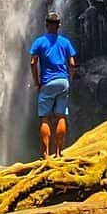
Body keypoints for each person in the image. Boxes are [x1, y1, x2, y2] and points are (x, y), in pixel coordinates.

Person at [29, 11, 77, 159]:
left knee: (45, 118)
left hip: (47, 82)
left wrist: (36, 83)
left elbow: (33, 62)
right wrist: (69, 79)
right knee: (61, 116)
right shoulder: (65, 42)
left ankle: (46, 154)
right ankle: (59, 152)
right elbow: (72, 64)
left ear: (46, 25)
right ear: (59, 25)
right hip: (63, 81)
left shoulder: (39, 42)